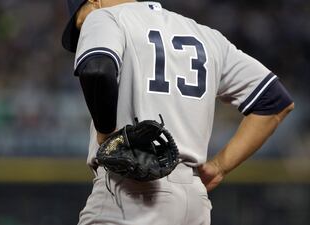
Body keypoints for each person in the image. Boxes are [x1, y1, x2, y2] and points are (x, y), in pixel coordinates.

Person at [62, 0, 294, 224]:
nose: (81, 30)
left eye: (79, 22)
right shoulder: (205, 35)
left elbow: (97, 69)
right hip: (194, 201)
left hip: (130, 192)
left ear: (94, 2)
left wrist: (105, 133)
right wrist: (219, 167)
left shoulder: (103, 17)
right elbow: (274, 102)